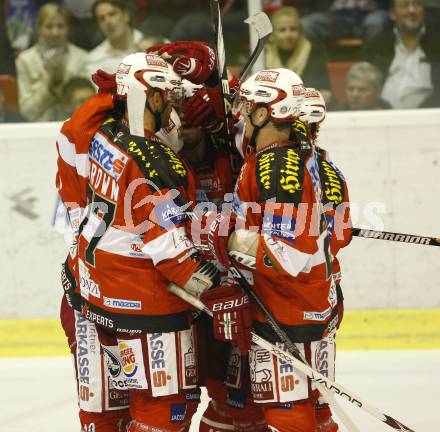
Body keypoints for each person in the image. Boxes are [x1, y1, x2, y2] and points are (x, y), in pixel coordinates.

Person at [56, 53, 235, 431]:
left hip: (90, 297)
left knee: (106, 416)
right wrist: (217, 293)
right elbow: (172, 256)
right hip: (145, 310)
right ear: (152, 98)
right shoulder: (157, 161)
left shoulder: (103, 134)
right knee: (165, 412)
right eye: (169, 99)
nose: (174, 110)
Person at [299, 88, 352, 432]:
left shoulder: (317, 170)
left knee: (303, 400)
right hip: (324, 294)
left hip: (308, 297)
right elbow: (342, 234)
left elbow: (338, 235)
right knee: (315, 399)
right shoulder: (326, 166)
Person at [15, 3, 88, 121]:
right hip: (38, 128)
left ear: (68, 27)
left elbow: (87, 105)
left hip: (74, 127)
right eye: (49, 27)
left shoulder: (82, 58)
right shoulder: (25, 60)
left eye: (60, 26)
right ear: (39, 28)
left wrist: (62, 79)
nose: (55, 32)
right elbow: (27, 112)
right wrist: (50, 85)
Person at [364, 0, 440, 108]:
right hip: (381, 116)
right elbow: (364, 83)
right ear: (393, 14)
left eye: (417, 5)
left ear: (424, 12)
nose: (412, 10)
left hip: (429, 117)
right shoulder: (376, 45)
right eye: (404, 5)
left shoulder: (437, 45)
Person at [265, 6, 332, 103]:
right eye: (282, 30)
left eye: (293, 29)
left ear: (300, 31)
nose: (288, 35)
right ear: (273, 33)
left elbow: (326, 92)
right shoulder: (263, 55)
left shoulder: (313, 51)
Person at [86, 0, 143, 77]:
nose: (108, 21)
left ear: (126, 15)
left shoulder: (155, 45)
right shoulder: (94, 61)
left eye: (112, 14)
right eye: (102, 18)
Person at [301, 0, 390, 42]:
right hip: (337, 16)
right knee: (307, 25)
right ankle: (315, 66)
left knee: (377, 23)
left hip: (371, 12)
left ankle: (371, 66)